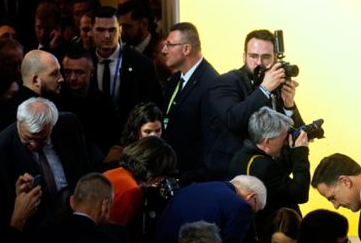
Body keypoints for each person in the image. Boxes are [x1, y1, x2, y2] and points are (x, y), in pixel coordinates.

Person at [0, 97, 90, 234]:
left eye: (42, 140)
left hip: (77, 216)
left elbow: (84, 168)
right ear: (19, 123)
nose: (34, 145)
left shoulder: (69, 124)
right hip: (35, 231)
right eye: (28, 139)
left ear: (52, 125)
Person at [207, 29, 302, 178]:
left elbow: (299, 133)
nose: (259, 62)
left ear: (275, 58)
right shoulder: (226, 82)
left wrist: (288, 105)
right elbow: (234, 120)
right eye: (253, 56)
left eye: (266, 57)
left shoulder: (275, 83)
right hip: (235, 174)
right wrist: (264, 89)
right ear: (244, 56)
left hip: (271, 173)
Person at [229, 107, 310, 243]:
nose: (286, 142)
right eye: (284, 137)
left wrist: (292, 151)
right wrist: (301, 153)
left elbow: (277, 174)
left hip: (252, 238)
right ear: (267, 141)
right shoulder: (264, 167)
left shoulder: (241, 156)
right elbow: (300, 194)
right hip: (272, 241)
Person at [148, 174, 267, 243]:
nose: (252, 213)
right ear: (252, 197)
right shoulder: (241, 206)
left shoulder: (191, 188)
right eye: (255, 209)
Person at [160, 22, 219, 184]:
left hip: (193, 179)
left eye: (169, 45)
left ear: (186, 49)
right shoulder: (175, 80)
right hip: (174, 173)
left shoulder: (211, 84)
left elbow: (210, 141)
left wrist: (192, 178)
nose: (164, 50)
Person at [90, 6, 162, 123]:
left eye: (112, 30)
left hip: (130, 129)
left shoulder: (142, 64)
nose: (107, 35)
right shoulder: (85, 61)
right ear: (92, 31)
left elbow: (153, 105)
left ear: (120, 30)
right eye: (100, 30)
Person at [103, 136, 177, 229]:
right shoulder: (132, 190)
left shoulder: (113, 172)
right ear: (154, 168)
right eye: (163, 173)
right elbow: (114, 231)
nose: (162, 179)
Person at [102, 101, 163, 169]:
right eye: (147, 131)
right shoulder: (117, 156)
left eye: (158, 131)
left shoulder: (164, 157)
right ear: (136, 131)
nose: (154, 136)